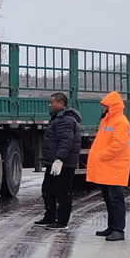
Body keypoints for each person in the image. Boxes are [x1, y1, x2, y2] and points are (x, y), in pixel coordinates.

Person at [86, 91, 130, 241]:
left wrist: (101, 155)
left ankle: (119, 230)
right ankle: (112, 227)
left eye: (106, 105)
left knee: (116, 199)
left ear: (112, 106)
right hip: (109, 166)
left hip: (115, 166)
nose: (103, 107)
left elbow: (118, 145)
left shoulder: (120, 121)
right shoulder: (108, 120)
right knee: (108, 198)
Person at [34, 92, 82, 230]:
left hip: (64, 163)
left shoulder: (65, 120)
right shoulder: (58, 118)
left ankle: (62, 221)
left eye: (52, 102)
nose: (50, 105)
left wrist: (59, 159)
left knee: (63, 192)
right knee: (48, 189)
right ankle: (50, 217)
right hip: (54, 162)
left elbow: (66, 142)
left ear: (61, 103)